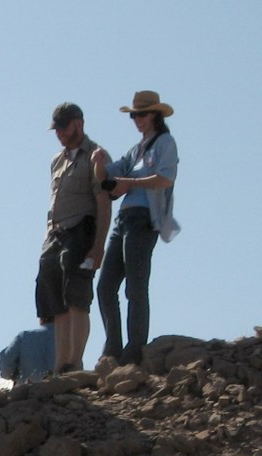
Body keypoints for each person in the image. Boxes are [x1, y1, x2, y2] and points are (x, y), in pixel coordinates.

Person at [93, 91, 180, 366]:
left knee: (135, 286)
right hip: (125, 219)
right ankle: (113, 346)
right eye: (134, 115)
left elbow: (165, 178)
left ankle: (135, 348)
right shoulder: (136, 150)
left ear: (155, 114)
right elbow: (109, 173)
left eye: (141, 114)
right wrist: (98, 164)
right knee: (106, 286)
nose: (137, 119)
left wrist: (130, 183)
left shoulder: (165, 142)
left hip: (144, 219)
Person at [35, 103, 112, 373]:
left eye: (63, 127)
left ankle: (75, 362)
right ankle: (61, 364)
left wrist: (98, 245)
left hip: (82, 229)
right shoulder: (57, 160)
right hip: (55, 233)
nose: (60, 134)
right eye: (56, 129)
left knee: (77, 297)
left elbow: (103, 201)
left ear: (78, 124)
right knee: (55, 300)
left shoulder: (96, 155)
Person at [0, 320, 56, 384]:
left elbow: (5, 367)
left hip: (28, 390)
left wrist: (15, 376)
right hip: (63, 389)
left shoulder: (24, 336)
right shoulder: (68, 338)